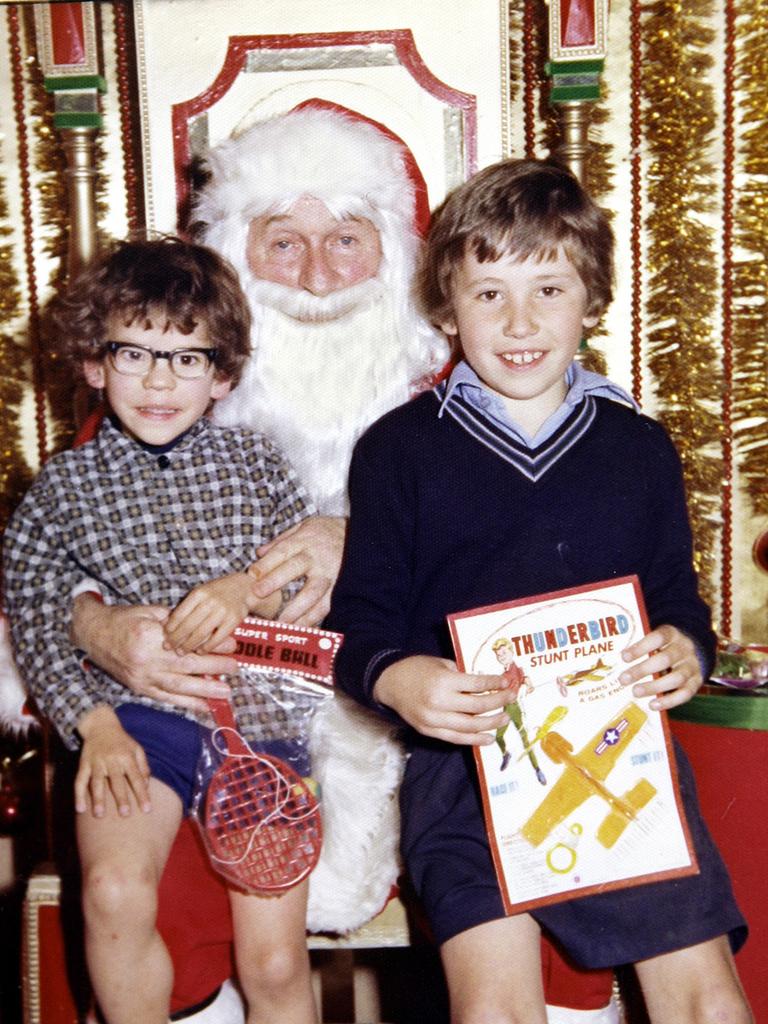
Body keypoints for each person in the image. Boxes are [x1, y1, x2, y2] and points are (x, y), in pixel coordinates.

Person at [62, 109, 620, 1022]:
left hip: (439, 719)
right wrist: (96, 624)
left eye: (348, 242)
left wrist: (357, 536)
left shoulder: (476, 395)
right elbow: (53, 553)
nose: (317, 279)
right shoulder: (166, 393)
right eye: (282, 244)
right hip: (222, 724)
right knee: (156, 872)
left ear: (401, 260)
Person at [325, 158, 753, 1023]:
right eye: (488, 294)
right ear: (446, 303)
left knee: (706, 1000)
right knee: (496, 1011)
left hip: (615, 751)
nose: (519, 322)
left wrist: (684, 648)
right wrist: (401, 679)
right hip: (462, 769)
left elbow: (677, 598)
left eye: (549, 289)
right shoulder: (398, 451)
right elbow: (357, 629)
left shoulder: (637, 447)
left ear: (591, 297)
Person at [2, 236, 320, 1024]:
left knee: (275, 961)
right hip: (135, 726)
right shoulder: (64, 488)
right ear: (93, 363)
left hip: (259, 729)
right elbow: (38, 611)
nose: (157, 380)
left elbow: (304, 586)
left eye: (185, 359)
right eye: (134, 354)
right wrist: (96, 724)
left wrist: (247, 589)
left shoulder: (259, 464)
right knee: (113, 889)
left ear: (222, 375)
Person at [491, 638, 545, 782]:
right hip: (506, 708)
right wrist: (529, 684)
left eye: (504, 653)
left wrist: (529, 685)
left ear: (511, 652)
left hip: (515, 709)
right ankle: (506, 754)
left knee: (525, 740)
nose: (501, 656)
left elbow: (522, 678)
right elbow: (525, 678)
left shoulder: (511, 673)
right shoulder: (508, 672)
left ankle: (537, 769)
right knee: (498, 737)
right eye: (498, 655)